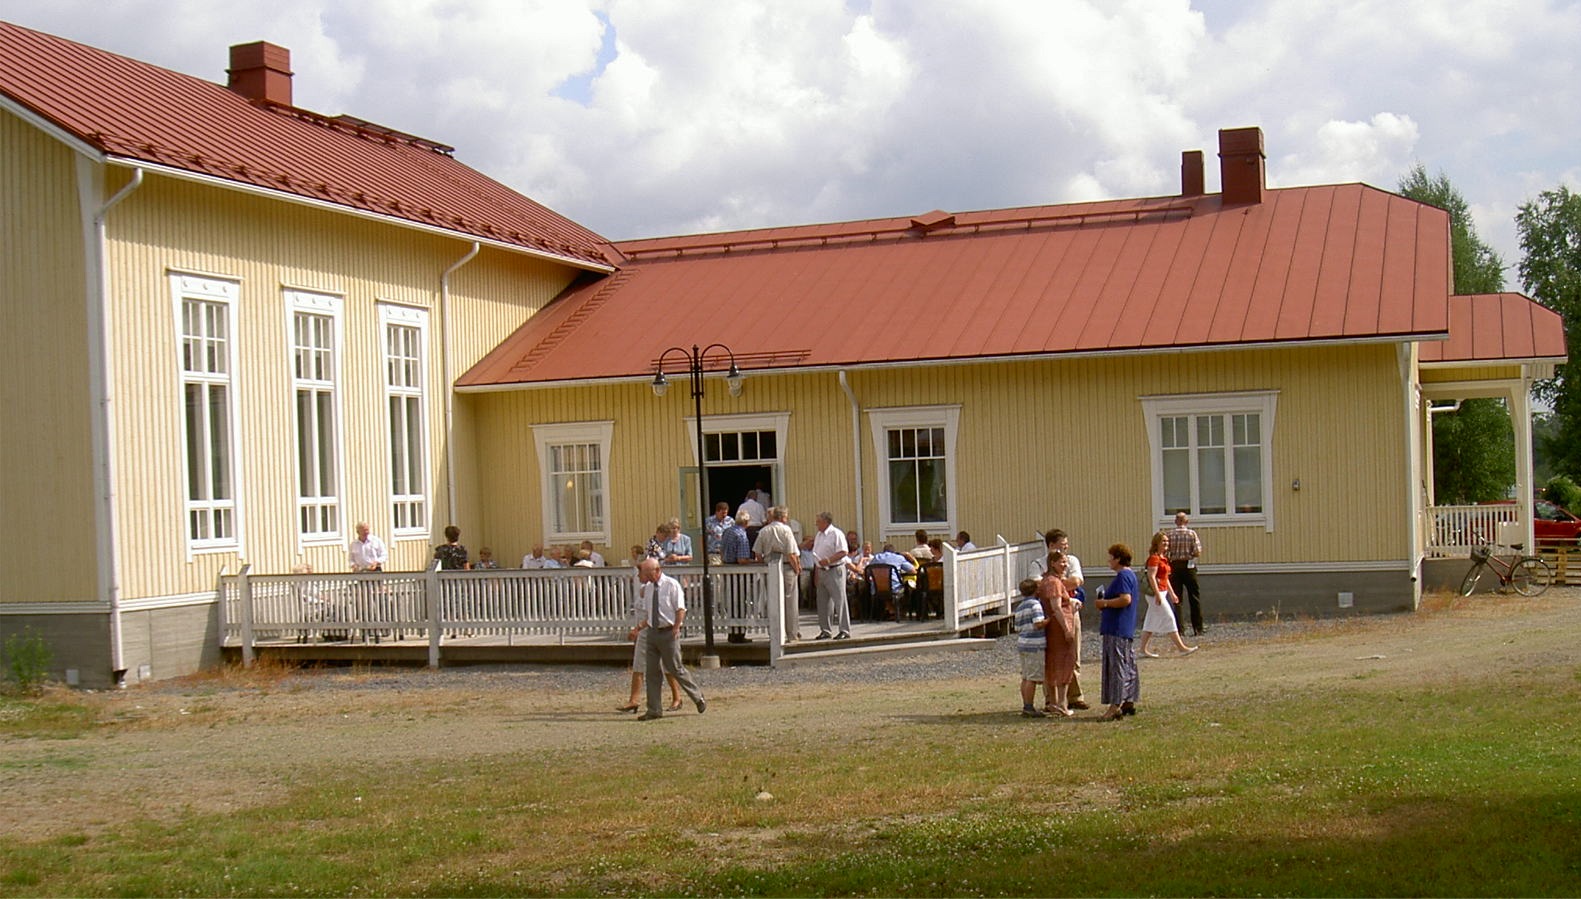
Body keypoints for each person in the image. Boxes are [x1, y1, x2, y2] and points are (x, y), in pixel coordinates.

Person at [630, 558, 706, 720]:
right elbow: (651, 614)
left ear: (656, 571)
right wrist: (639, 628)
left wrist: (676, 627)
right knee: (652, 672)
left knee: (675, 668)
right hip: (652, 632)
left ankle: (697, 697)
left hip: (668, 632)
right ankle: (654, 709)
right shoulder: (648, 589)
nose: (643, 575)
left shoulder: (671, 585)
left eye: (645, 572)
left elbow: (680, 609)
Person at [1027, 529, 1089, 710]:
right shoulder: (1037, 564)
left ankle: (1075, 696)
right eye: (1062, 546)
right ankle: (1051, 699)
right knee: (1051, 656)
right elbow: (1037, 586)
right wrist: (1059, 586)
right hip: (1048, 614)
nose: (1066, 549)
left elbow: (1077, 581)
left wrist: (1053, 585)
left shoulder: (1072, 561)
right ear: (1051, 546)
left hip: (1071, 611)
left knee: (1072, 653)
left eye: (1066, 546)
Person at [619, 555, 681, 713]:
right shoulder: (644, 589)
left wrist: (675, 626)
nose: (640, 577)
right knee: (639, 663)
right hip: (645, 628)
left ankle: (677, 697)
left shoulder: (664, 586)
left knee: (668, 665)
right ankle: (634, 700)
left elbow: (669, 609)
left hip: (660, 627)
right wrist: (638, 629)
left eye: (641, 574)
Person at [1093, 543, 1140, 720]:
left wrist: (1104, 603)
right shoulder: (1130, 575)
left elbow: (1125, 599)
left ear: (1118, 559)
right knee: (1128, 664)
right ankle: (1128, 700)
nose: (1109, 561)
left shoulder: (1123, 576)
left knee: (1117, 666)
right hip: (1123, 627)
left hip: (1117, 627)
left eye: (1111, 557)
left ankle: (1115, 705)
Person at [1139, 531, 1199, 657]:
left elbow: (1165, 579)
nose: (1166, 543)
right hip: (1155, 594)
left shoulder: (1164, 558)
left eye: (1167, 541)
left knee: (1150, 622)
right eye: (1163, 541)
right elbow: (1151, 577)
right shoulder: (1154, 558)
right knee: (1170, 618)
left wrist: (1172, 594)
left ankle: (1143, 649)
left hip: (1162, 591)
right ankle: (1182, 648)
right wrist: (1157, 594)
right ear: (1157, 543)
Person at [753, 505, 802, 641]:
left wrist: (764, 564)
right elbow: (791, 553)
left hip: (770, 567)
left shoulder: (764, 531)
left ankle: (774, 633)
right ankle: (792, 633)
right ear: (782, 517)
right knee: (790, 601)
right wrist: (797, 568)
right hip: (786, 567)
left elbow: (757, 552)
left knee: (772, 600)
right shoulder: (786, 530)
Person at [1039, 551, 1080, 716]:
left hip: (1053, 628)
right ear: (1053, 563)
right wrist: (1067, 629)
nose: (1065, 565)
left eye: (1066, 562)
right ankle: (1061, 704)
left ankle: (1054, 703)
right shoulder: (1054, 583)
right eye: (1062, 562)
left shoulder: (1047, 580)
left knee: (1053, 663)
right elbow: (1056, 607)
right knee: (1064, 662)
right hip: (1058, 629)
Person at [812, 512, 851, 639]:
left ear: (825, 522)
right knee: (823, 602)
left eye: (818, 521)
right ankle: (825, 630)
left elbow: (843, 551)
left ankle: (844, 630)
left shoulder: (836, 533)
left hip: (834, 569)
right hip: (821, 569)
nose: (816, 524)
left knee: (840, 600)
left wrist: (829, 560)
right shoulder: (819, 535)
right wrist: (817, 571)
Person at [1013, 578, 1048, 717]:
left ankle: (1026, 703)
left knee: (1026, 676)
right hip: (1035, 644)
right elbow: (1038, 623)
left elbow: (1016, 627)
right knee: (1032, 678)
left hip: (1023, 643)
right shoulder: (1035, 605)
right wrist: (1049, 620)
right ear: (1036, 590)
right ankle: (1029, 707)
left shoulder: (1020, 607)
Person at [1167, 511, 1205, 636]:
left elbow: (1166, 552)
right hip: (1188, 565)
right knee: (1194, 596)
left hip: (1174, 566)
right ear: (1186, 521)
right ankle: (1198, 628)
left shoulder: (1170, 534)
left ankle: (1179, 629)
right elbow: (1197, 551)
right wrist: (1190, 554)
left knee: (1177, 598)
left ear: (1175, 521)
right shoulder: (1191, 534)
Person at [721, 511, 754, 643]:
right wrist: (753, 561)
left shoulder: (727, 531)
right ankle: (739, 634)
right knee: (740, 603)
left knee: (731, 602)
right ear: (746, 522)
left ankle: (731, 633)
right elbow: (742, 559)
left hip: (727, 569)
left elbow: (722, 551)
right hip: (738, 572)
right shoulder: (741, 535)